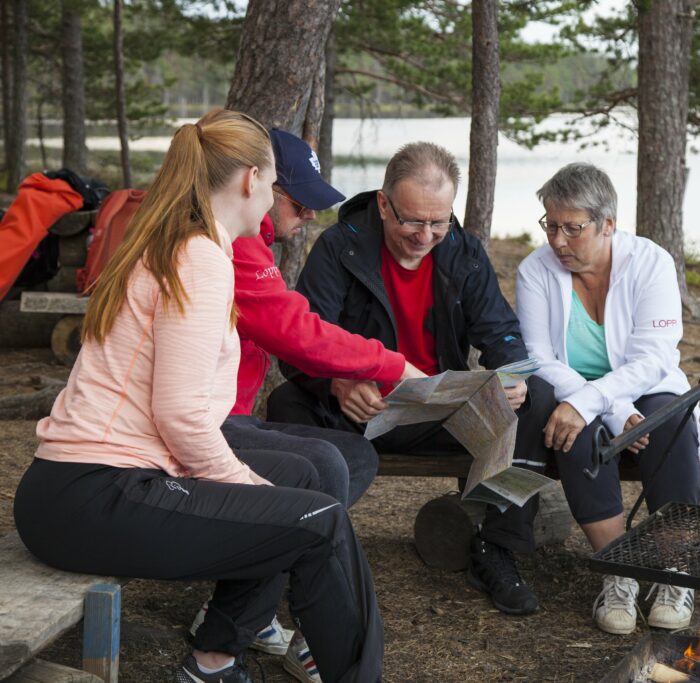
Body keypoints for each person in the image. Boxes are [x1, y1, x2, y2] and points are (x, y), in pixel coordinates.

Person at [13, 109, 383, 683]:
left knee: (303, 485)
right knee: (319, 521)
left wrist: (256, 489)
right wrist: (247, 486)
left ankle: (214, 662)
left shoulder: (176, 244)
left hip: (74, 489)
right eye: (271, 182)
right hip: (93, 494)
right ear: (248, 180)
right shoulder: (199, 258)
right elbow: (180, 416)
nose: (273, 199)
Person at [267, 141, 555, 616]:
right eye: (412, 221)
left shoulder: (464, 251)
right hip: (358, 415)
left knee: (537, 397)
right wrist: (334, 384)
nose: (425, 236)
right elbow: (299, 345)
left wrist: (511, 372)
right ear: (383, 204)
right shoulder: (340, 247)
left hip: (440, 414)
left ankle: (496, 548)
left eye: (437, 222)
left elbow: (501, 332)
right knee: (286, 404)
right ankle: (302, 546)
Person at [190, 128, 423, 681]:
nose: (311, 216)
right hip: (202, 422)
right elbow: (295, 331)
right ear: (258, 185)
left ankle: (251, 607)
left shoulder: (245, 242)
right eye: (300, 200)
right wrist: (389, 364)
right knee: (315, 471)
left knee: (349, 459)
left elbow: (291, 326)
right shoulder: (231, 246)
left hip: (226, 414)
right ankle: (240, 629)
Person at [515, 163, 700, 635]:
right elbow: (538, 358)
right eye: (550, 225)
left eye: (572, 228)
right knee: (573, 435)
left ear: (607, 225)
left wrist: (606, 400)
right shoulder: (535, 270)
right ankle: (620, 571)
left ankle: (675, 572)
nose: (558, 240)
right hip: (574, 389)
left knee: (669, 422)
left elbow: (654, 359)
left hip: (646, 384)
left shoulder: (651, 262)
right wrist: (606, 408)